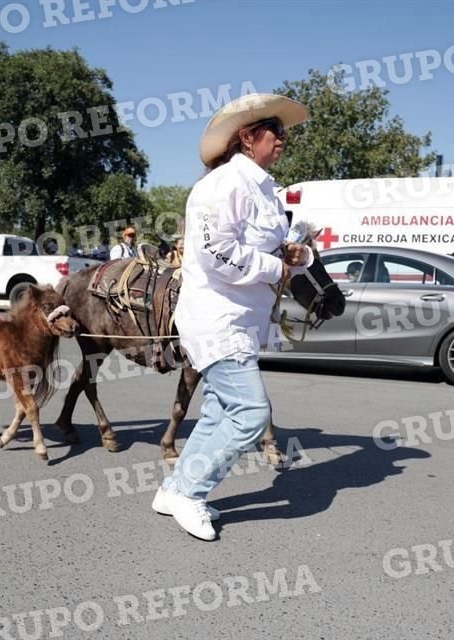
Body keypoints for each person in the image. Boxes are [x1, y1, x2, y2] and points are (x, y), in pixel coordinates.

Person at [151, 93, 313, 541]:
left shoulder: (265, 189)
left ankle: (173, 489)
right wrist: (275, 267)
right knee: (250, 412)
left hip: (242, 320)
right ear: (247, 136)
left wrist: (296, 255)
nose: (282, 139)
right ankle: (190, 493)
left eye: (283, 132)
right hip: (216, 319)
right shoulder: (222, 185)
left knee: (222, 412)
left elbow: (272, 247)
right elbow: (215, 251)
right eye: (275, 131)